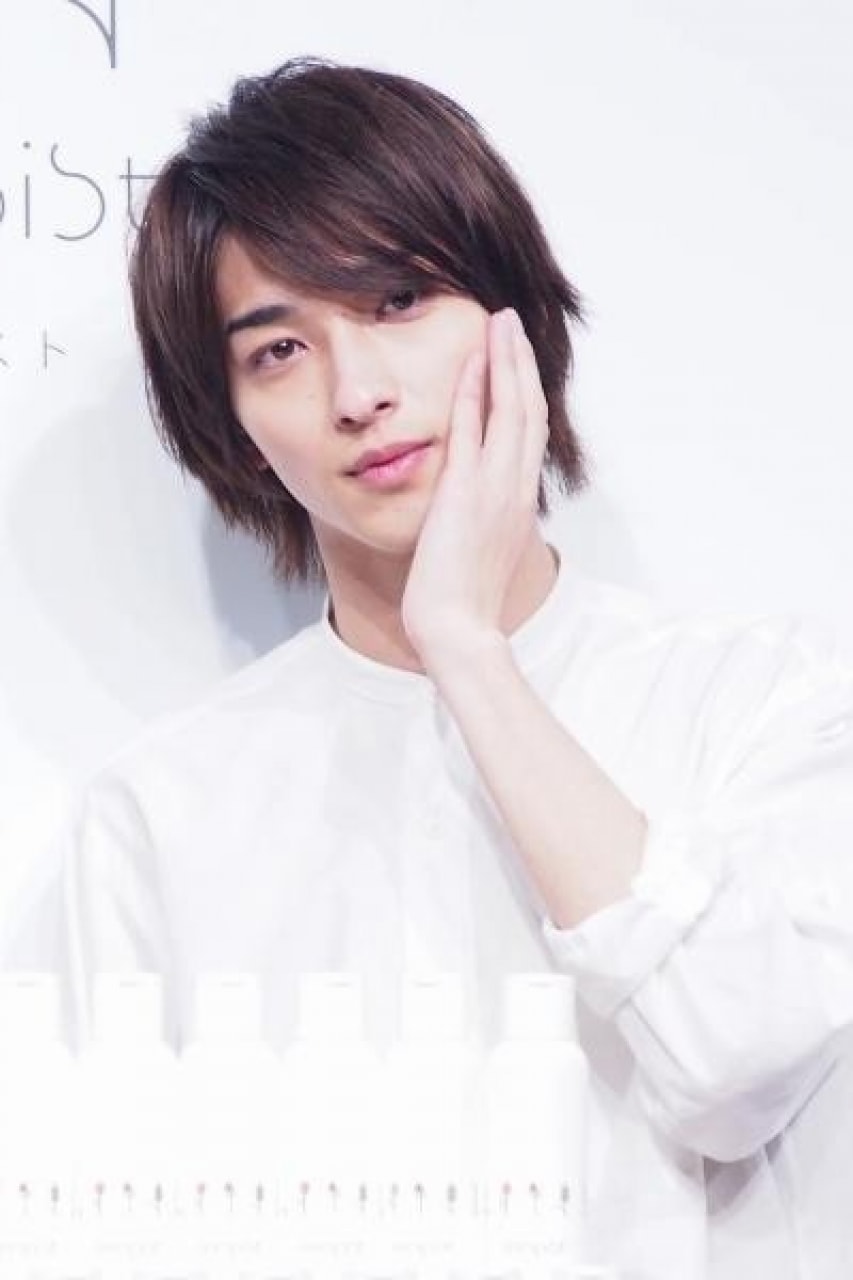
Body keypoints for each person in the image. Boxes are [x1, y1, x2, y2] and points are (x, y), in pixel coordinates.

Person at [6, 57, 853, 1279]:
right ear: (230, 425)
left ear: (511, 312)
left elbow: (732, 1067)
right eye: (279, 349)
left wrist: (465, 647)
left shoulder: (757, 702)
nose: (359, 392)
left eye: (398, 299)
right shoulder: (160, 816)